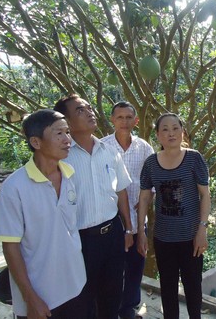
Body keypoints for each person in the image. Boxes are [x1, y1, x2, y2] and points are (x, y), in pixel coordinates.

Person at [0, 109, 88, 318]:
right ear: (36, 142)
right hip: (41, 297)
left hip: (76, 285)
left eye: (67, 132)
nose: (67, 139)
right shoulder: (15, 187)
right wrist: (30, 297)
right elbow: (10, 247)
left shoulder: (70, 175)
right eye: (58, 133)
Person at [54, 95, 133, 319]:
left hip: (113, 235)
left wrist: (128, 227)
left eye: (89, 107)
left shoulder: (109, 151)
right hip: (79, 240)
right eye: (80, 110)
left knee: (112, 296)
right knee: (81, 302)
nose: (90, 112)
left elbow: (121, 191)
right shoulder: (61, 158)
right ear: (66, 122)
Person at [137, 113, 211, 319]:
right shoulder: (151, 163)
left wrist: (202, 229)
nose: (171, 133)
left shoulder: (194, 158)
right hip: (163, 238)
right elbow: (144, 199)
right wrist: (140, 231)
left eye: (175, 128)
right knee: (167, 287)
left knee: (193, 287)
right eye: (165, 129)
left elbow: (205, 195)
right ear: (158, 136)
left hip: (191, 237)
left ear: (182, 131)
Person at [101, 101, 154, 319]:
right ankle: (109, 309)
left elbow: (152, 182)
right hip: (111, 220)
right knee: (112, 270)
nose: (124, 121)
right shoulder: (101, 147)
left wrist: (147, 199)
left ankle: (129, 308)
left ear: (136, 120)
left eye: (128, 117)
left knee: (135, 266)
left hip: (138, 218)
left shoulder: (144, 148)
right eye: (119, 117)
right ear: (112, 120)